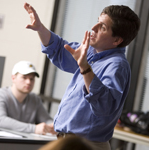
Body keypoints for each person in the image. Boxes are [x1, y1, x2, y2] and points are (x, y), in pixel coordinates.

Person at [24, 2, 140, 150]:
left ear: (117, 40)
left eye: (102, 27)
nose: (93, 28)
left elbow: (105, 105)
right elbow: (60, 50)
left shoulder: (117, 65)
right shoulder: (92, 53)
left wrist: (84, 66)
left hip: (87, 145)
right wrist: (40, 28)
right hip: (67, 141)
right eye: (97, 21)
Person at [0, 61, 56, 135]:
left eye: (32, 79)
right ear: (13, 78)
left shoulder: (34, 99)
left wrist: (53, 126)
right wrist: (34, 129)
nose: (28, 82)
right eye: (24, 77)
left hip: (21, 142)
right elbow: (0, 121)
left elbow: (46, 119)